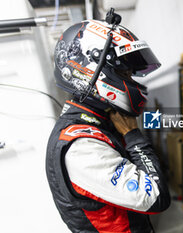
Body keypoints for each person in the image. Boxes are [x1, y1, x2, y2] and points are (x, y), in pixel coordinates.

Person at [46, 15, 170, 233]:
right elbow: (155, 197)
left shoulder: (99, 121)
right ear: (90, 71)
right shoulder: (80, 145)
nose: (131, 81)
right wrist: (133, 136)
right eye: (124, 73)